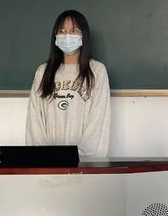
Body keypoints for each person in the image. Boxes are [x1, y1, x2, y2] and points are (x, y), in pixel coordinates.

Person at [26, 10, 110, 157]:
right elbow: (35, 119)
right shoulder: (43, 72)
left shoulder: (97, 71)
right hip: (47, 162)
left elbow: (99, 119)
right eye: (62, 31)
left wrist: (82, 156)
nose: (67, 36)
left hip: (84, 162)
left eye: (74, 31)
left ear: (84, 36)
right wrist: (42, 155)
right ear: (55, 36)